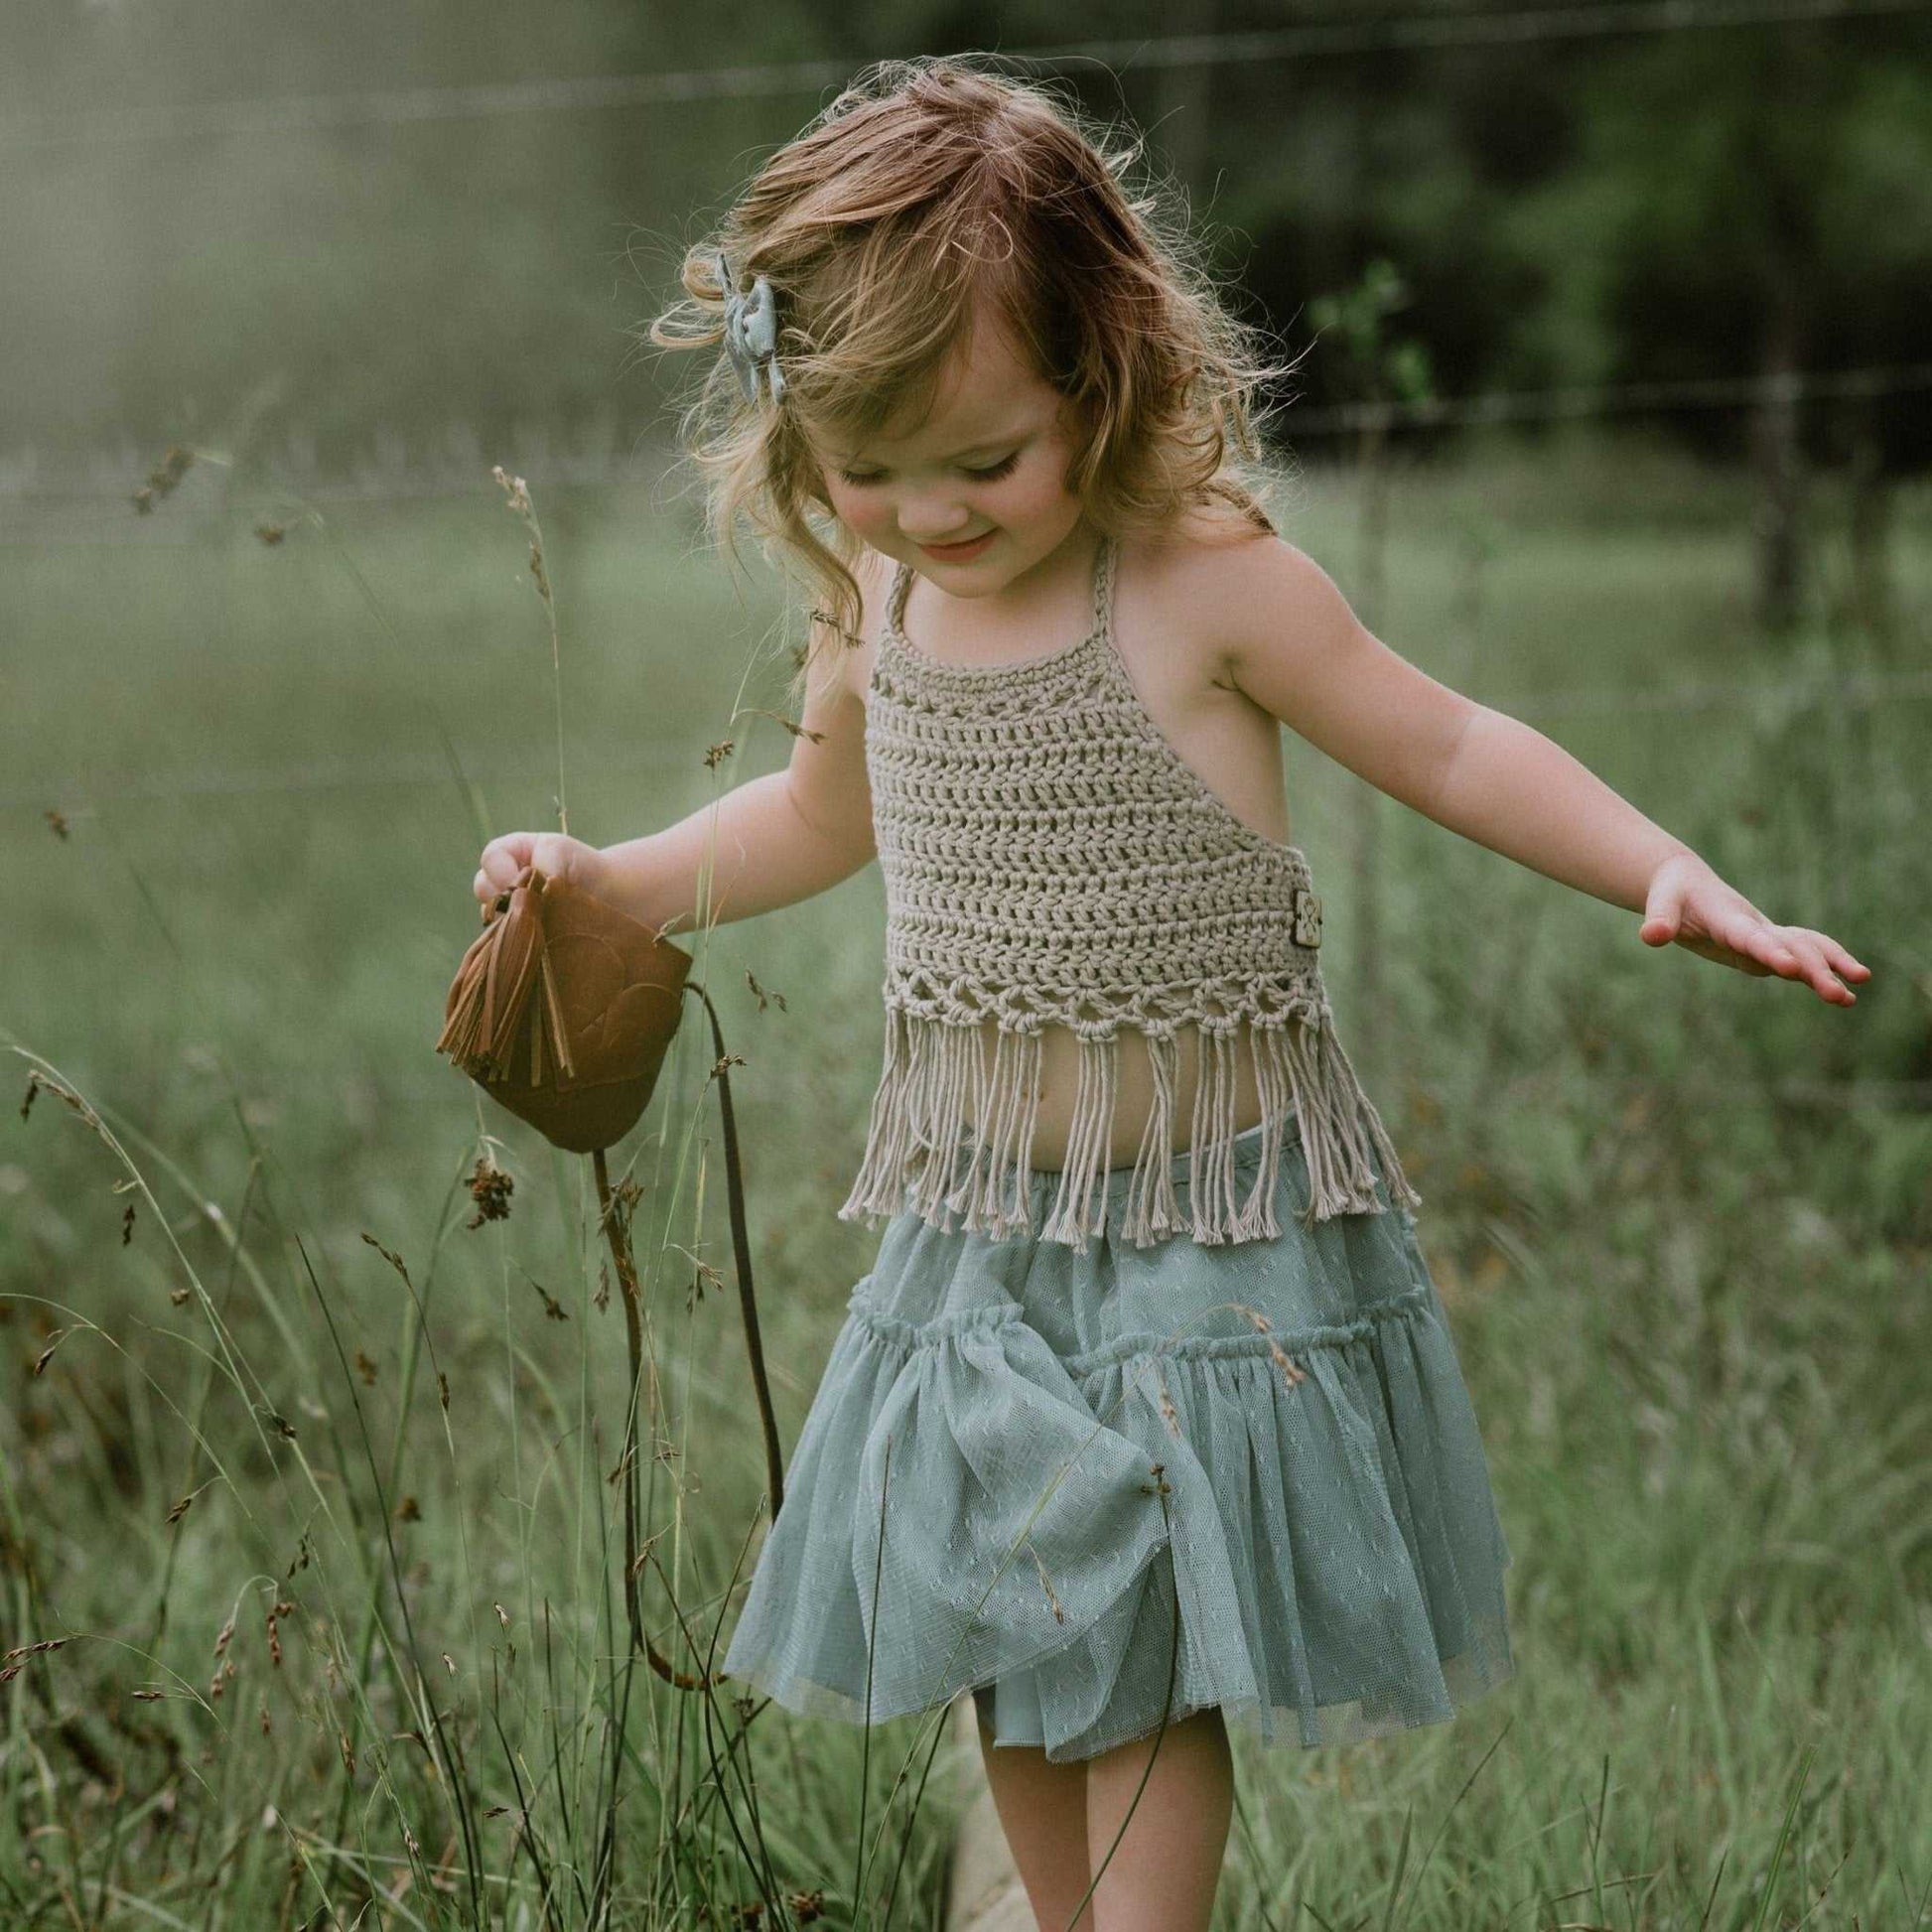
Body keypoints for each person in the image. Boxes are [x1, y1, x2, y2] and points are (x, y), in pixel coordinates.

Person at [471, 55, 1869, 1932]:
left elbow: (1448, 742)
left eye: (982, 462)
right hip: (978, 1239)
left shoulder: (1201, 585)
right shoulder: (872, 604)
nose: (925, 515)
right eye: (864, 471)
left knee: (1129, 1662)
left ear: (1101, 372)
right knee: (1011, 1652)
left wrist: (1661, 865)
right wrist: (614, 879)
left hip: (1199, 1242)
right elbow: (817, 815)